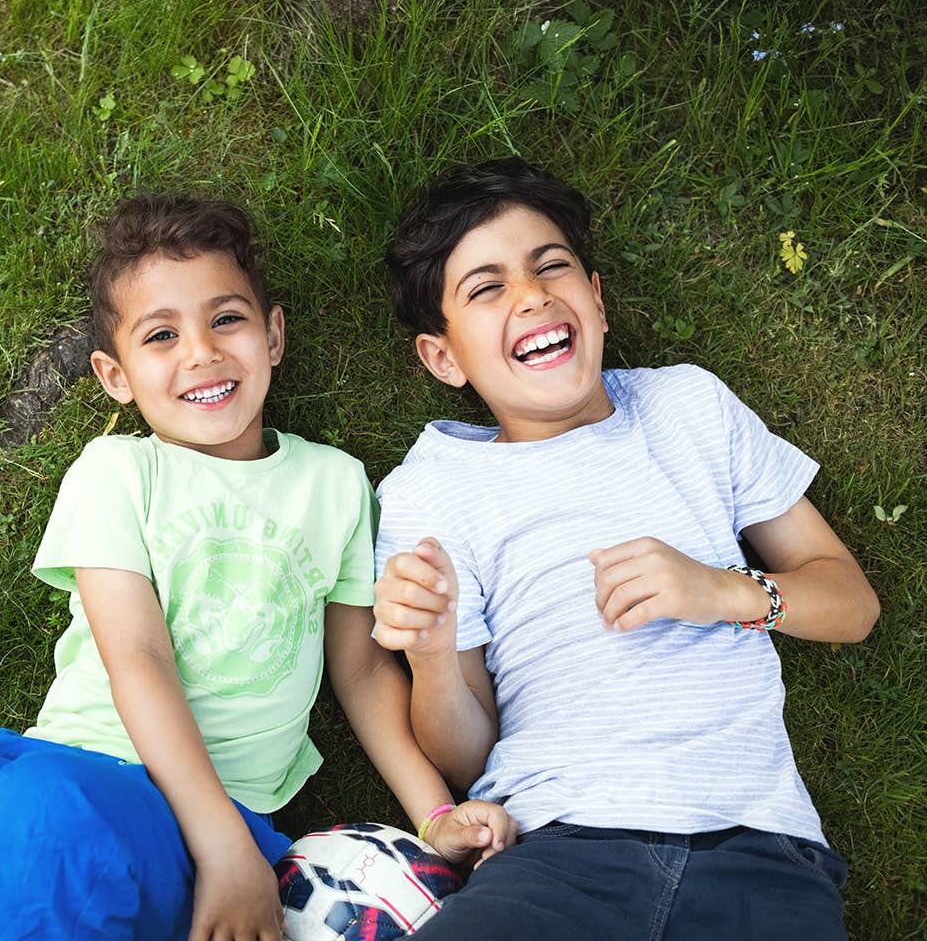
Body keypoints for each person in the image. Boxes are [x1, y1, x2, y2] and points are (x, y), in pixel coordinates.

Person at [0, 193, 516, 941]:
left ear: (273, 336)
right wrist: (225, 850)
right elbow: (133, 656)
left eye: (227, 320)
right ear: (115, 376)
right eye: (162, 336)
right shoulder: (115, 471)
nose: (202, 353)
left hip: (181, 828)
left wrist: (432, 813)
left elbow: (364, 677)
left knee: (50, 810)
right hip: (40, 775)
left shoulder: (336, 484)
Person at [371, 157, 879, 941]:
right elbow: (468, 760)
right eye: (488, 287)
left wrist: (722, 591)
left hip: (759, 851)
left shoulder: (687, 406)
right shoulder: (431, 490)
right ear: (444, 358)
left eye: (551, 268)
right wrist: (436, 658)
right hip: (554, 853)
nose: (532, 295)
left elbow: (852, 602)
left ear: (597, 303)